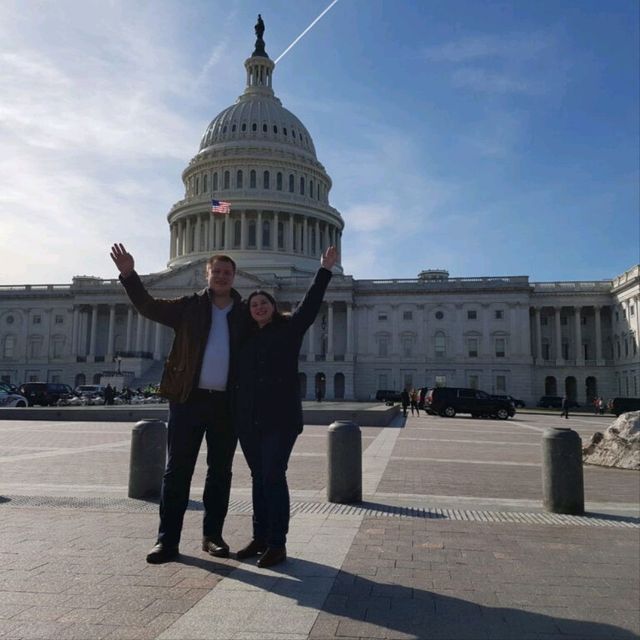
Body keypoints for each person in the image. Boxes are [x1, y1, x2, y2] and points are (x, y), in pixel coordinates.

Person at [110, 243, 246, 564]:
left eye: (228, 273)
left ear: (234, 277)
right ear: (207, 275)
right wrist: (129, 274)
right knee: (176, 472)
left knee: (220, 473)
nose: (222, 277)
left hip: (227, 404)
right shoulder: (188, 306)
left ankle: (212, 536)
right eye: (217, 272)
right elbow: (147, 305)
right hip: (189, 399)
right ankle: (166, 541)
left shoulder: (246, 312)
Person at [233, 246, 337, 568]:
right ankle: (260, 536)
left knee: (273, 476)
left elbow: (308, 308)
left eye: (263, 303)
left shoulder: (289, 329)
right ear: (248, 310)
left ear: (273, 306)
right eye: (254, 304)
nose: (259, 307)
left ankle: (278, 543)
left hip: (280, 419)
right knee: (258, 478)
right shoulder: (245, 338)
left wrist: (324, 271)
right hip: (250, 420)